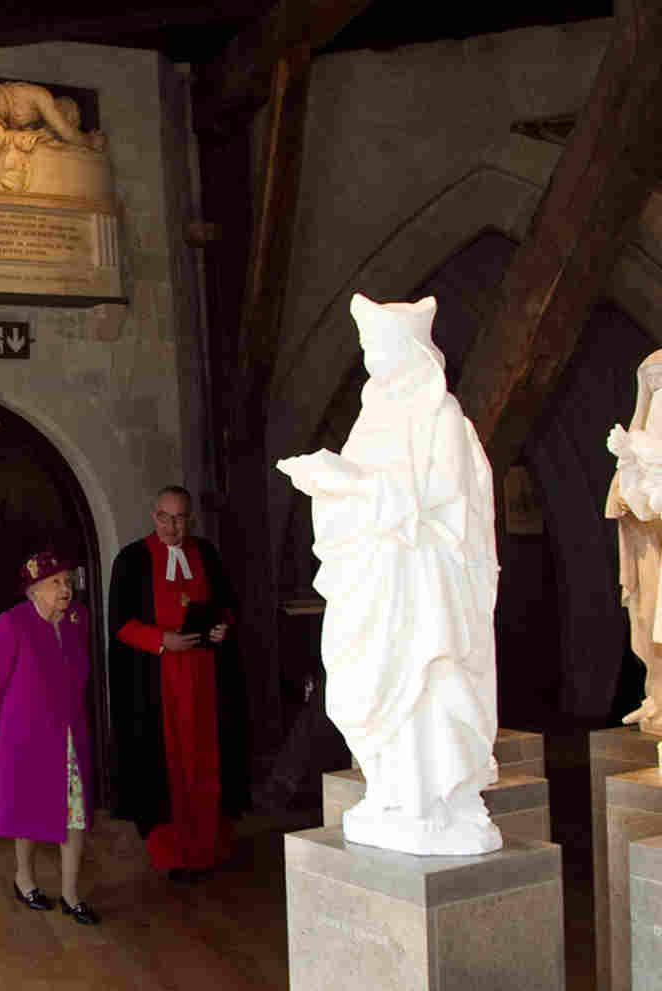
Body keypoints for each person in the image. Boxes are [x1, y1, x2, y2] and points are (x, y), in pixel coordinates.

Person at [277, 293, 500, 855]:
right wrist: (329, 486)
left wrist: (356, 486)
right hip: (374, 581)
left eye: (379, 345)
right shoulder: (371, 416)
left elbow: (444, 503)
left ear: (408, 350)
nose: (371, 357)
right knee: (364, 682)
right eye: (367, 347)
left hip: (424, 582)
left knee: (423, 684)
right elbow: (360, 498)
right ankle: (392, 790)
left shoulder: (441, 416)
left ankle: (431, 797)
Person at [108, 486, 246, 880]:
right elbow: (119, 622)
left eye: (181, 518)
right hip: (158, 684)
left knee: (208, 760)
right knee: (168, 768)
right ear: (154, 516)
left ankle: (210, 847)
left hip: (206, 680)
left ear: (191, 519)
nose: (173, 526)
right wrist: (160, 640)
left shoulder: (207, 554)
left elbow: (227, 605)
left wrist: (222, 628)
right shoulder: (132, 560)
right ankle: (172, 854)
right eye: (165, 517)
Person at [0, 550, 99, 924]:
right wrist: (7, 731)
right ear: (35, 590)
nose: (66, 589)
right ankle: (25, 879)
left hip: (68, 735)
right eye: (56, 583)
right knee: (27, 810)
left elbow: (82, 675)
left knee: (75, 812)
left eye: (67, 581)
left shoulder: (77, 619)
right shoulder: (12, 623)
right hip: (26, 737)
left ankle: (70, 893)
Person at [606, 348, 662, 735]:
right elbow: (636, 504)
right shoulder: (645, 431)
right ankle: (656, 697)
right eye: (653, 382)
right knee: (646, 621)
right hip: (652, 545)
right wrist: (629, 468)